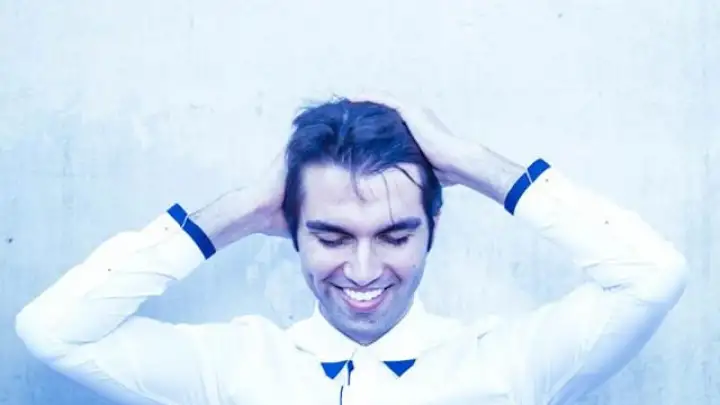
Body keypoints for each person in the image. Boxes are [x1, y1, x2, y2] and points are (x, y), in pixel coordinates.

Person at [15, 95, 688, 405]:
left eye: (395, 235)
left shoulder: (509, 365)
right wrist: (238, 209)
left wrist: (474, 163)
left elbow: (652, 275)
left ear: (432, 227)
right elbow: (51, 330)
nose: (363, 271)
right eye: (331, 235)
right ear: (291, 228)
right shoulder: (229, 367)